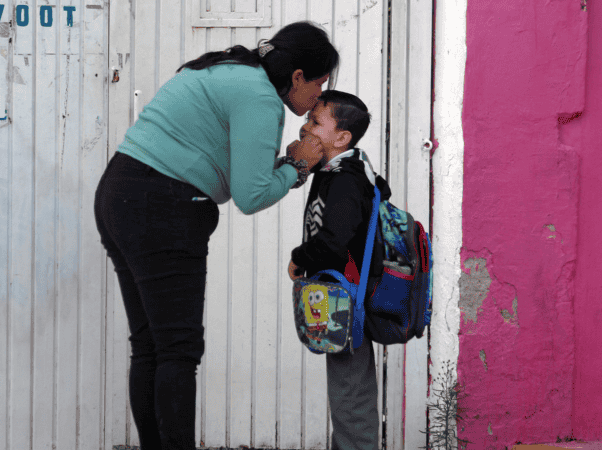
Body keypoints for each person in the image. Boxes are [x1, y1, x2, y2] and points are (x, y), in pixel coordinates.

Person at [93, 21, 339, 450]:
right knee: (177, 349)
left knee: (150, 343)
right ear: (297, 76)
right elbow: (252, 194)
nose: (320, 95)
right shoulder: (261, 97)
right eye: (320, 83)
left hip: (120, 192)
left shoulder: (226, 68)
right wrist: (298, 166)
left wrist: (282, 166)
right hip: (164, 207)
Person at [287, 90, 391, 450]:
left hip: (348, 296)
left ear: (342, 138)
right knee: (347, 383)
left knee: (350, 390)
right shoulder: (337, 170)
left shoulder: (346, 178)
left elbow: (334, 240)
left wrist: (299, 257)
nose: (305, 128)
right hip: (340, 295)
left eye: (316, 122)